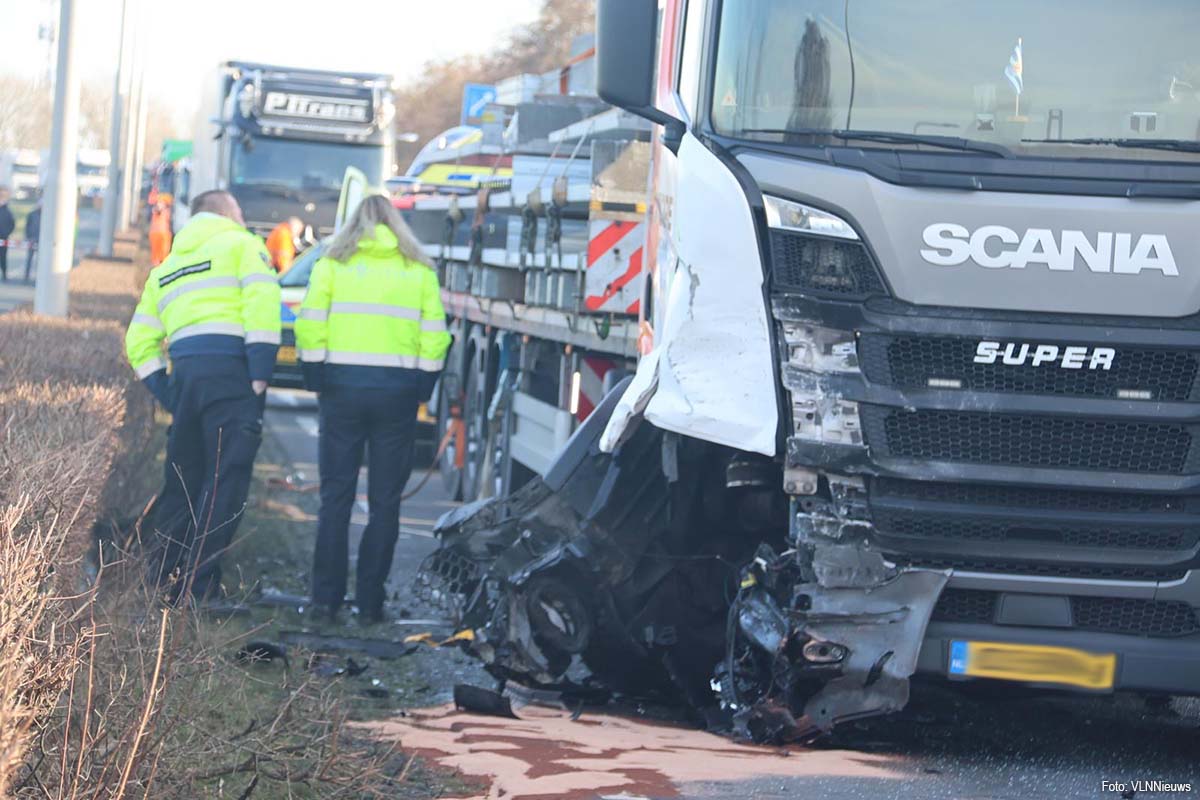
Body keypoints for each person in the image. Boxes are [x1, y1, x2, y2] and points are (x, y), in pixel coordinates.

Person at [294, 194, 449, 623]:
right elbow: (435, 336)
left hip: (341, 390)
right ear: (397, 225)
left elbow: (309, 324)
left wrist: (315, 376)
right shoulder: (418, 271)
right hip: (396, 394)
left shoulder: (331, 265)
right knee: (385, 502)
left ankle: (325, 601)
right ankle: (369, 604)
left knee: (335, 498)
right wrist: (423, 385)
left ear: (352, 225)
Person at [125, 190, 281, 601]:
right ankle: (201, 587)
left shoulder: (167, 267)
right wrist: (260, 373)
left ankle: (161, 579)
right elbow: (263, 305)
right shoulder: (243, 245)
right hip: (233, 374)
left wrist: (169, 392)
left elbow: (138, 341)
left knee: (182, 480)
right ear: (229, 214)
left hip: (186, 377)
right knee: (224, 481)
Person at [23, 198, 41, 282]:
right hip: (32, 239)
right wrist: (28, 237)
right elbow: (27, 226)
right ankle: (26, 276)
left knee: (40, 260)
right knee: (29, 258)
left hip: (41, 241)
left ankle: (39, 276)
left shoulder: (47, 215)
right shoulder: (31, 214)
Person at [0, 187, 15, 282]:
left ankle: (4, 274)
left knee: (3, 257)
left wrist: (6, 234)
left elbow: (12, 224)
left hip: (4, 238)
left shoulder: (8, 212)